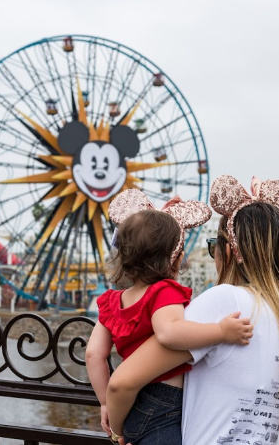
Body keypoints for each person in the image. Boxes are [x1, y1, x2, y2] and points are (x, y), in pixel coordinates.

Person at [106, 175, 279, 445]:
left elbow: (123, 381)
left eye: (214, 247)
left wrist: (118, 432)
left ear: (232, 251)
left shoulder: (226, 301)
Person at [86, 189, 253, 445]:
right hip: (163, 402)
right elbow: (169, 333)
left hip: (129, 408)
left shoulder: (111, 301)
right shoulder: (164, 291)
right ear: (173, 256)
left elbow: (94, 355)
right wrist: (221, 332)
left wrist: (106, 404)